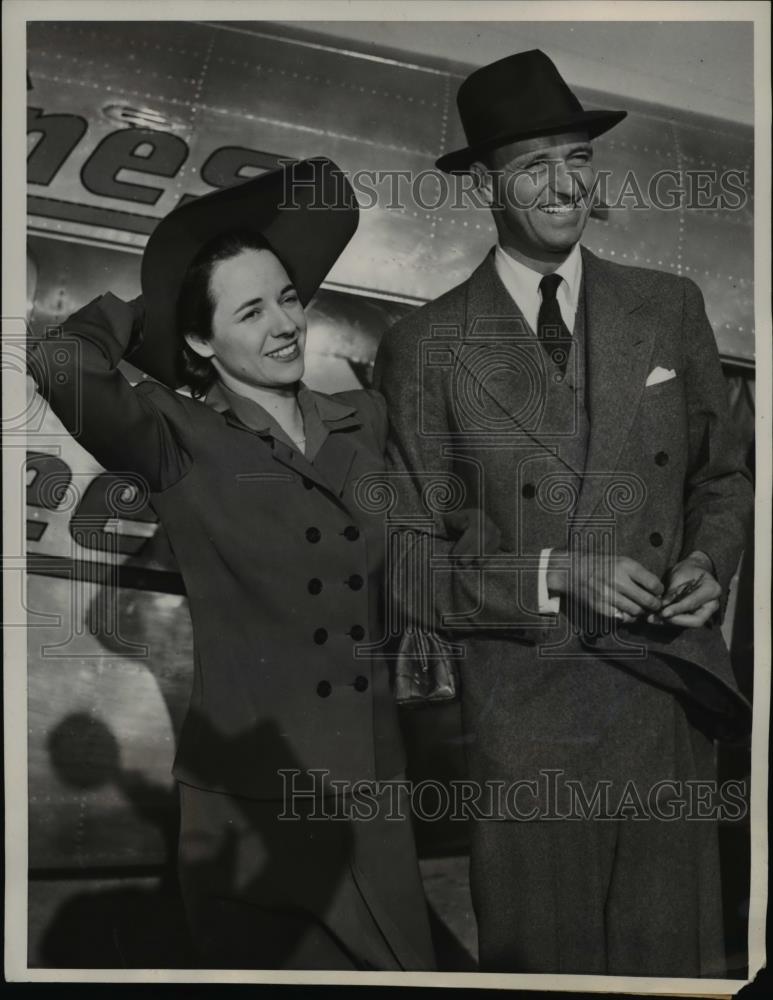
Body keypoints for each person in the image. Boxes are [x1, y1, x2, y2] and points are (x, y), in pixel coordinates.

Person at [374, 51, 753, 976]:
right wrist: (556, 577)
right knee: (549, 968)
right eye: (533, 163)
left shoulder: (666, 307)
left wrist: (708, 565)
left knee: (675, 968)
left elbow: (720, 479)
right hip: (528, 717)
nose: (562, 183)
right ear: (486, 186)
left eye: (576, 159)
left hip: (668, 698)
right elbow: (409, 564)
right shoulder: (425, 346)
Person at [28, 158, 435, 971]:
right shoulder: (177, 437)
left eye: (288, 297)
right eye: (250, 312)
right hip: (250, 813)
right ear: (200, 338)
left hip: (371, 796)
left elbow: (413, 547)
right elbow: (61, 364)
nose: (286, 324)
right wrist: (166, 294)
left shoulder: (365, 418)